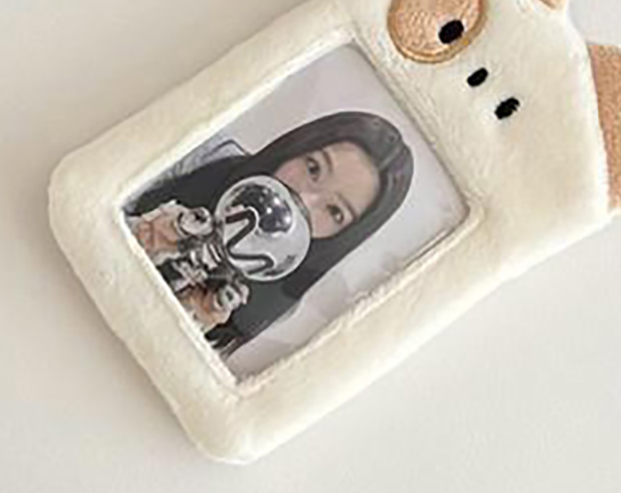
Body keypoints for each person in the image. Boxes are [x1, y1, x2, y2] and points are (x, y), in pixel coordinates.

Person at [126, 111, 413, 354]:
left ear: (343, 235)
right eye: (313, 168)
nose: (303, 199)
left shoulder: (276, 303)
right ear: (298, 147)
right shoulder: (204, 153)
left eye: (334, 211)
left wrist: (192, 324)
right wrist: (141, 235)